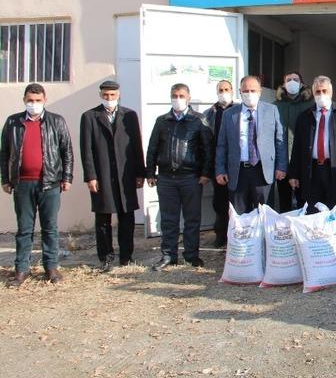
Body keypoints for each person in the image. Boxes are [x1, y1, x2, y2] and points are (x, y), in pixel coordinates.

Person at [1, 83, 74, 286]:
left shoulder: (56, 121)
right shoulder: (13, 122)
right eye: (30, 101)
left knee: (50, 228)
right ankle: (21, 270)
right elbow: (4, 152)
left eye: (38, 100)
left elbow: (66, 151)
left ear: (45, 100)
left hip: (49, 184)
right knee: (24, 229)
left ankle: (51, 267)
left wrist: (67, 177)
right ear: (24, 100)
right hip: (22, 184)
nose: (34, 104)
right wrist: (5, 179)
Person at [79, 80, 146, 271]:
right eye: (106, 95)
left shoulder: (130, 116)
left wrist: (140, 172)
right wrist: (90, 176)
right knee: (103, 217)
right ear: (101, 95)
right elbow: (87, 150)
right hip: (102, 174)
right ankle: (106, 256)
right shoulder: (90, 117)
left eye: (113, 95)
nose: (109, 99)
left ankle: (126, 256)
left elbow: (136, 145)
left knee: (127, 216)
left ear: (119, 95)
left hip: (126, 174)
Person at [146, 83, 214, 270]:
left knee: (192, 219)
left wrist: (206, 174)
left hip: (190, 177)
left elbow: (208, 149)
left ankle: (191, 256)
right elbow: (152, 148)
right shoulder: (162, 121)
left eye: (181, 95)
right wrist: (150, 172)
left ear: (188, 97)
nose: (178, 99)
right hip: (167, 178)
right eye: (174, 95)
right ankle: (168, 255)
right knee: (168, 219)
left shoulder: (199, 120)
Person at [289, 76, 336, 211]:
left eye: (324, 91)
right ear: (313, 93)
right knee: (313, 211)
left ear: (331, 92)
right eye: (318, 92)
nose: (321, 95)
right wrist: (294, 173)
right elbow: (297, 147)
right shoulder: (304, 117)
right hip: (312, 171)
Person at [216, 75, 287, 215]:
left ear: (260, 92)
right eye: (246, 91)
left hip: (263, 171)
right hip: (238, 172)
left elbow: (280, 140)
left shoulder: (271, 110)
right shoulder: (229, 114)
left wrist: (281, 166)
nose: (249, 94)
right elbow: (222, 144)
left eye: (253, 90)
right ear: (240, 92)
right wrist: (220, 169)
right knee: (240, 217)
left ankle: (263, 238)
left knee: (265, 215)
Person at [203, 80, 236, 247]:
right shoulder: (209, 113)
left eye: (227, 89)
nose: (224, 92)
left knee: (236, 203)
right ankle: (220, 235)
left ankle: (235, 236)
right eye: (220, 90)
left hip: (236, 165)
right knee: (219, 202)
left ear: (232, 91)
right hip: (218, 165)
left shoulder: (238, 110)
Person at [274, 71, 313, 211]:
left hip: (303, 159)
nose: (292, 82)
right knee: (284, 200)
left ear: (302, 83)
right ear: (283, 85)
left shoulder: (311, 104)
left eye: (295, 79)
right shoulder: (275, 106)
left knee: (304, 200)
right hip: (282, 159)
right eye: (288, 79)